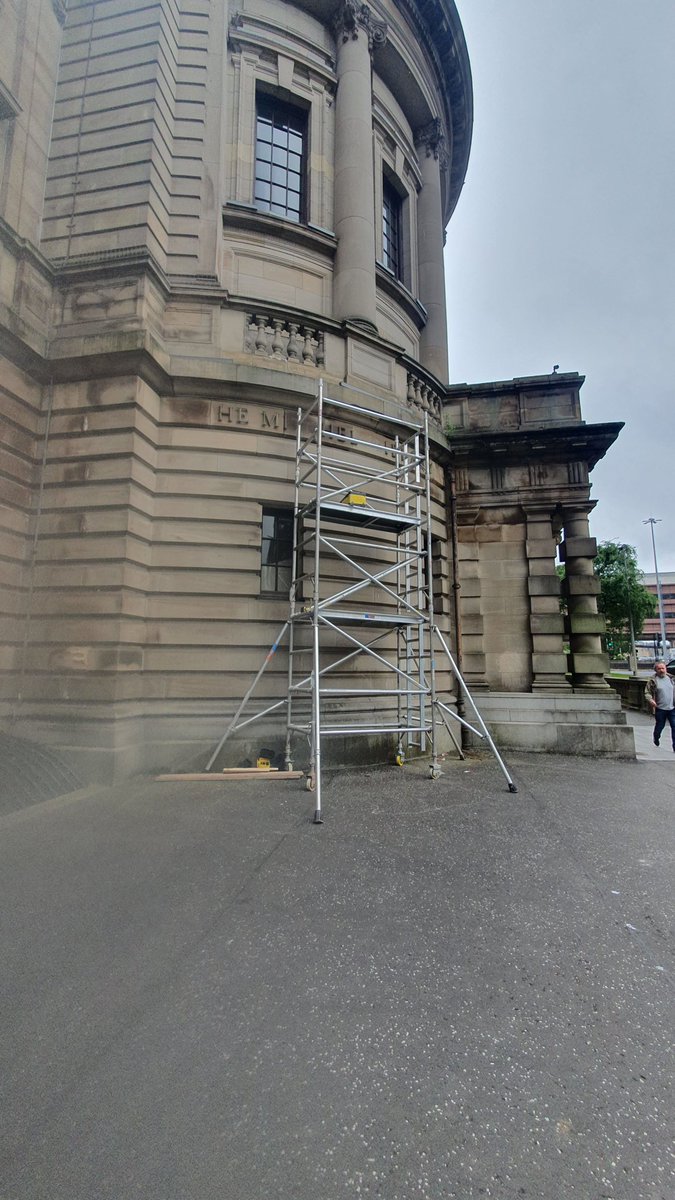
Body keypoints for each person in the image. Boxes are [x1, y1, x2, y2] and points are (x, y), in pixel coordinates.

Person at [644, 660, 675, 750]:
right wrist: (651, 700)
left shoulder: (671, 679)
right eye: (659, 669)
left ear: (666, 669)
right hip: (660, 708)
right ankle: (656, 737)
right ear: (656, 670)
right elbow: (647, 693)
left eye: (663, 668)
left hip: (672, 708)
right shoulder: (653, 681)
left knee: (674, 726)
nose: (661, 670)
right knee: (660, 726)